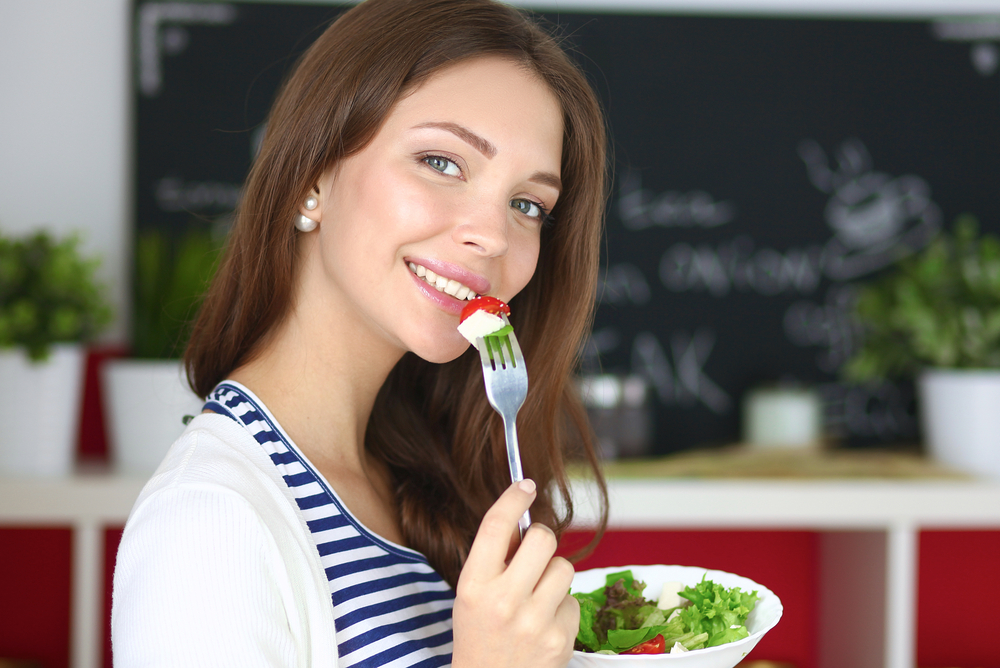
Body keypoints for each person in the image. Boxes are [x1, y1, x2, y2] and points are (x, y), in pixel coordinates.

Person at [112, 0, 609, 666]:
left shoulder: (420, 476)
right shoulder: (207, 521)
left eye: (527, 205)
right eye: (442, 162)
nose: (492, 235)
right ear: (311, 177)